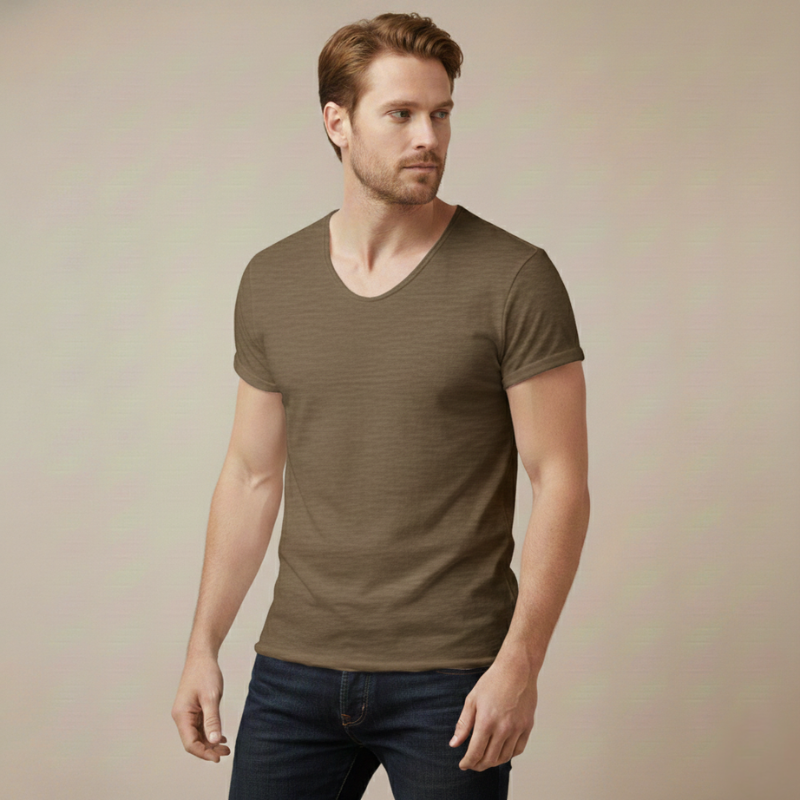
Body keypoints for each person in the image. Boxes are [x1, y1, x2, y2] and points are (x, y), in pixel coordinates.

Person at [171, 11, 590, 800]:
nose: (428, 137)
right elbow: (251, 477)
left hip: (452, 679)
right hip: (294, 670)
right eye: (401, 114)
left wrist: (521, 664)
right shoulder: (273, 279)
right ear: (338, 122)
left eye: (441, 113)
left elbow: (560, 481)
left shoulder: (513, 277)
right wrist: (203, 645)